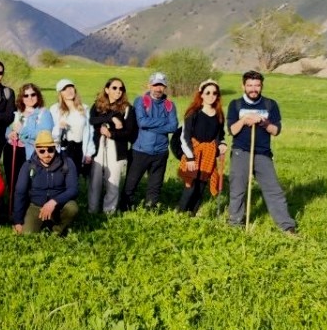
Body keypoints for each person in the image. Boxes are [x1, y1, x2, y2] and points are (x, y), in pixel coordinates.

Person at [227, 71, 297, 234]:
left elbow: (276, 131)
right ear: (243, 86)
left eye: (257, 85)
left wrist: (263, 122)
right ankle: (234, 225)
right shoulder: (235, 104)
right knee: (238, 189)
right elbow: (232, 130)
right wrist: (244, 120)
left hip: (263, 153)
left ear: (262, 86)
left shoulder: (270, 105)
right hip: (240, 152)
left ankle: (286, 226)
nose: (253, 89)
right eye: (250, 85)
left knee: (274, 190)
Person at [123, 71, 179, 211]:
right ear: (149, 85)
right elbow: (142, 122)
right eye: (155, 85)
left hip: (160, 152)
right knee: (131, 183)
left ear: (165, 87)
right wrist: (164, 121)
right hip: (140, 150)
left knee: (155, 185)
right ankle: (124, 208)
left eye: (161, 86)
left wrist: (151, 125)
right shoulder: (141, 101)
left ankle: (150, 210)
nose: (158, 89)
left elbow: (173, 126)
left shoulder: (169, 105)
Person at [13, 130, 79, 236]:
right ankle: (43, 223)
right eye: (42, 151)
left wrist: (54, 201)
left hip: (58, 206)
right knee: (27, 235)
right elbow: (20, 193)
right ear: (36, 149)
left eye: (50, 150)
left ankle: (57, 230)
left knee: (72, 208)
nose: (47, 154)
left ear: (55, 148)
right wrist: (18, 221)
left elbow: (73, 189)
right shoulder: (28, 166)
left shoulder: (67, 163)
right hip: (36, 206)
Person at [176, 79, 228, 215]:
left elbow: (220, 135)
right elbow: (184, 137)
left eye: (214, 93)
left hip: (209, 154)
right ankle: (179, 215)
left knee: (201, 187)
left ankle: (192, 215)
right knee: (191, 186)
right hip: (193, 153)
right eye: (208, 92)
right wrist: (190, 157)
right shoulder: (193, 113)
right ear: (201, 94)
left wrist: (222, 143)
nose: (211, 95)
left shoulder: (219, 115)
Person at [87, 77, 137, 214]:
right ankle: (92, 211)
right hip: (98, 147)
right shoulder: (98, 105)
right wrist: (111, 118)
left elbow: (129, 132)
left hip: (117, 148)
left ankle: (109, 212)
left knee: (113, 181)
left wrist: (111, 134)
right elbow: (91, 120)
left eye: (121, 88)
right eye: (114, 88)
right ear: (107, 89)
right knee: (95, 180)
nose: (118, 91)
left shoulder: (127, 109)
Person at [48, 79, 95, 175]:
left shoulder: (84, 108)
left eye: (70, 88)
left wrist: (89, 153)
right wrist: (59, 127)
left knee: (74, 177)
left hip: (79, 149)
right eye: (64, 89)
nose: (69, 91)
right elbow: (51, 133)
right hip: (63, 149)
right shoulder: (55, 109)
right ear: (60, 93)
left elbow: (90, 131)